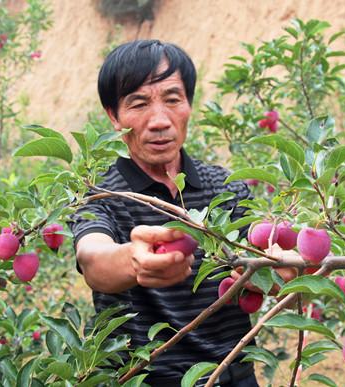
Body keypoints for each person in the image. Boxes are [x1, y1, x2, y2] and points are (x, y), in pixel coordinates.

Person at [69, 40, 290, 386]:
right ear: (114, 117)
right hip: (147, 378)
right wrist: (133, 260)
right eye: (138, 104)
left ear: (189, 105)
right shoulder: (101, 194)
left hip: (235, 376)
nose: (159, 121)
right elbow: (94, 257)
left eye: (173, 99)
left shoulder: (225, 186)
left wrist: (281, 269)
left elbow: (260, 259)